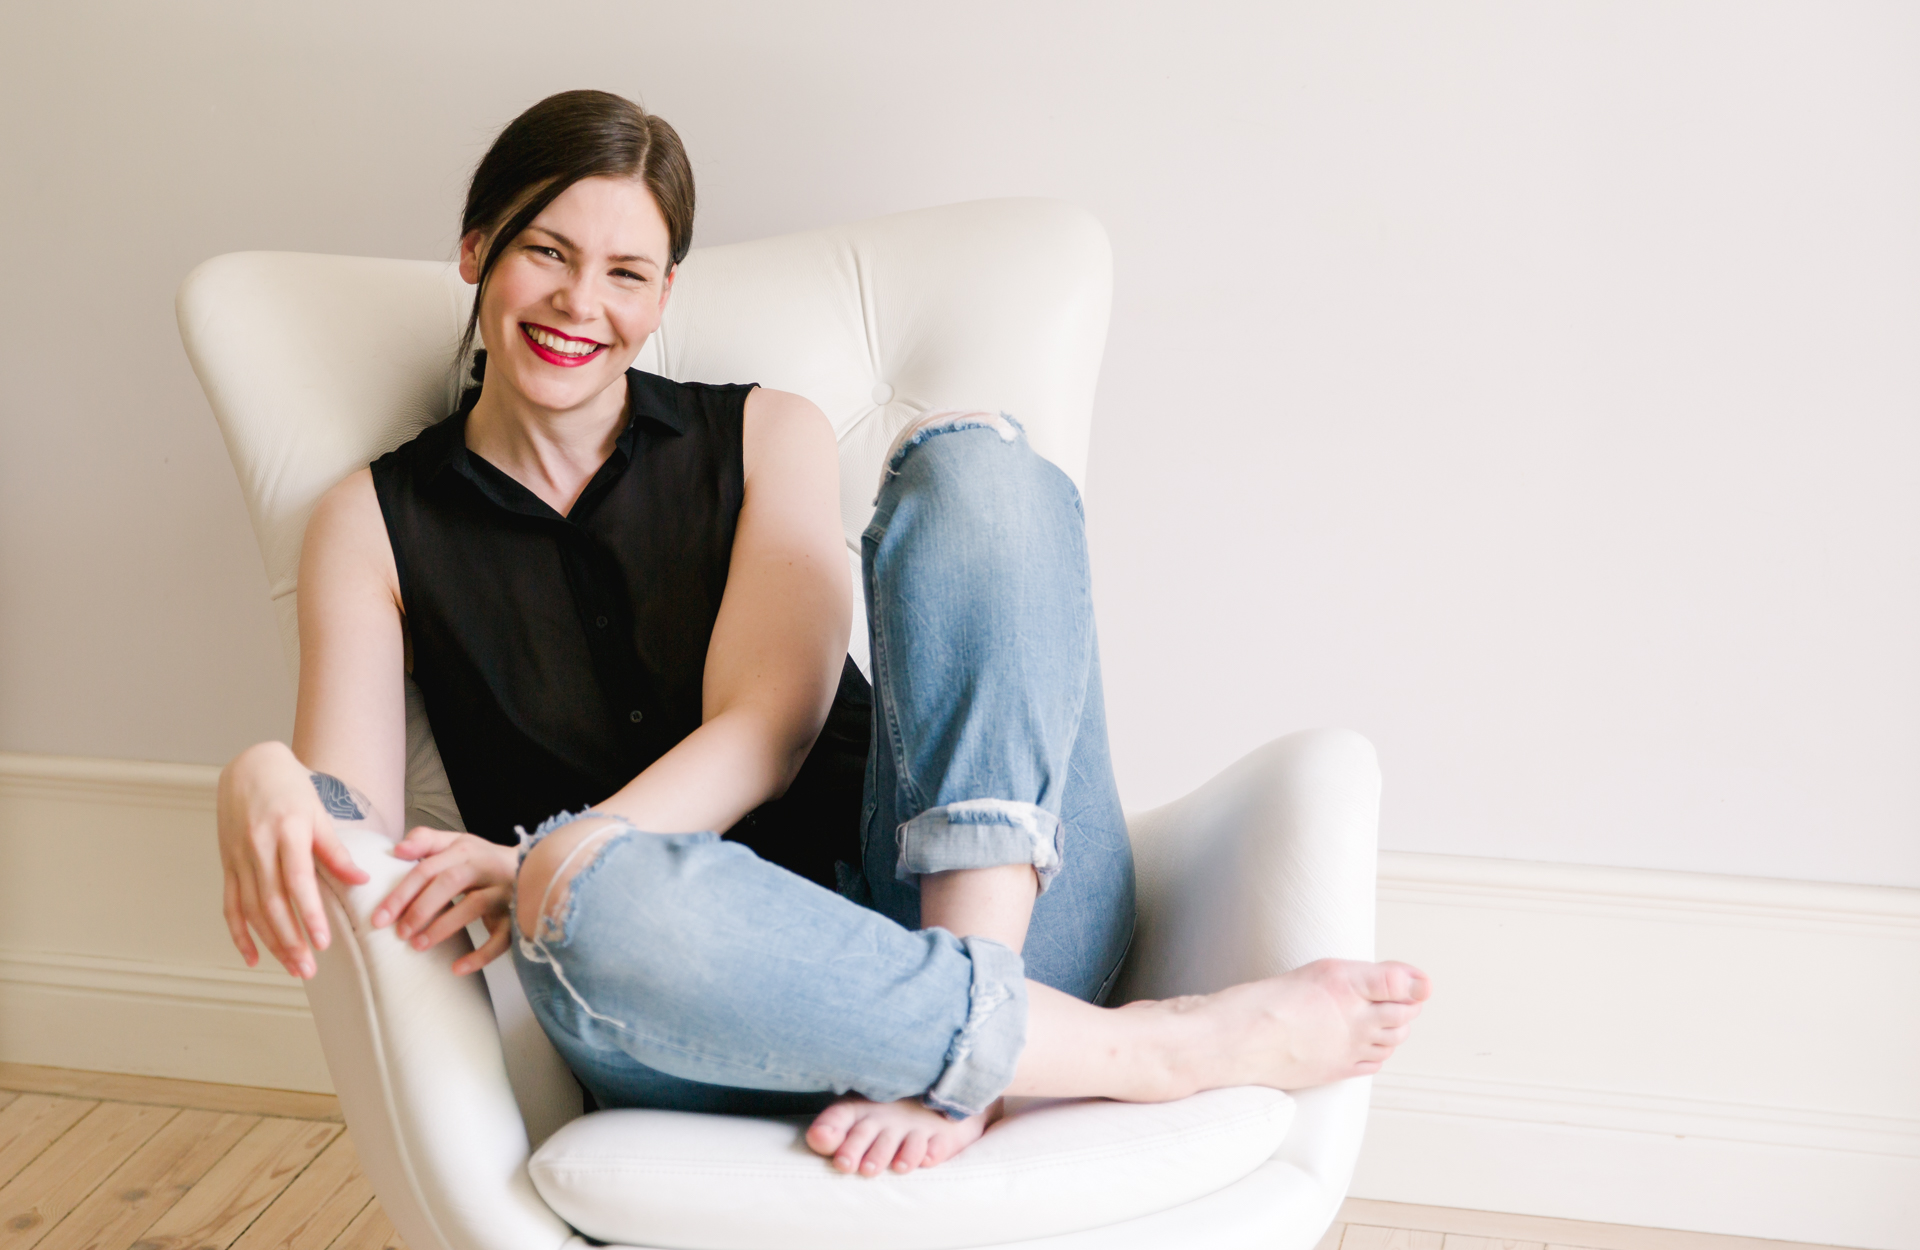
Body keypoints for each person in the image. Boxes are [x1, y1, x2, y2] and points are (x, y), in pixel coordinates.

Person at [216, 88, 1429, 1180]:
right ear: (479, 249)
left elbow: (771, 726)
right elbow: (349, 830)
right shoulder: (373, 519)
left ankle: (977, 1007)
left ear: (665, 295)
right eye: (547, 251)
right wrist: (261, 781)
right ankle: (1143, 1047)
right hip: (703, 994)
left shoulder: (765, 432)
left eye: (628, 272)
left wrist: (562, 846)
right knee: (582, 903)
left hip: (977, 899)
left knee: (975, 466)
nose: (583, 302)